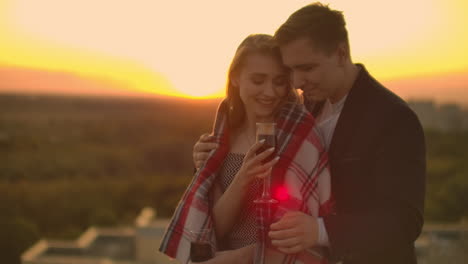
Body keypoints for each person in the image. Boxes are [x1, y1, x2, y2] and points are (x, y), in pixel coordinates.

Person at [193, 3, 426, 264]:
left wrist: (320, 230)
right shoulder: (305, 108)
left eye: (307, 68)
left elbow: (404, 221)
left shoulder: (392, 117)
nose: (297, 82)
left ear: (340, 54)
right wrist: (209, 156)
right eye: (291, 70)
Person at [160, 34, 333, 264]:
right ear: (235, 79)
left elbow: (300, 229)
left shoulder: (301, 138)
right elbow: (215, 228)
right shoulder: (222, 141)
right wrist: (244, 176)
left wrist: (246, 256)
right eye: (258, 80)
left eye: (279, 81)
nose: (270, 92)